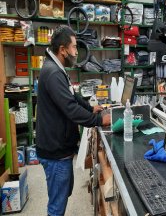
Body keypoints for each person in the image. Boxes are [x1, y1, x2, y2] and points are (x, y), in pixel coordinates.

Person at [35, 25, 110, 216]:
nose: (76, 52)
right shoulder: (53, 73)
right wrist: (99, 121)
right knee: (57, 204)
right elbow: (70, 109)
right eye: (74, 48)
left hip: (59, 149)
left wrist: (90, 108)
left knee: (62, 194)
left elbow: (72, 96)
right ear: (63, 50)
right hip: (55, 152)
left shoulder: (57, 68)